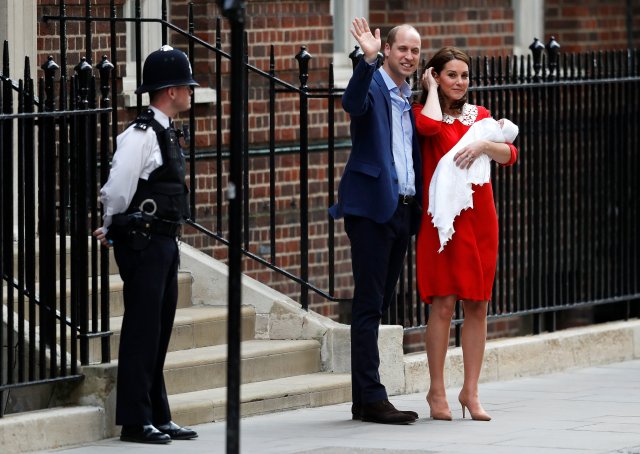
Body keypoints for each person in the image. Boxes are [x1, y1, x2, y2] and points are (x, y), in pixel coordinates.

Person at [93, 45, 199, 444]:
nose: (191, 92)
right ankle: (135, 421)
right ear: (170, 91)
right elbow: (118, 186)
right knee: (142, 330)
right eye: (187, 86)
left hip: (164, 241)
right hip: (143, 241)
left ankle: (157, 413)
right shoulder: (139, 135)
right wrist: (109, 223)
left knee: (160, 328)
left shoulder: (165, 131)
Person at [412, 46, 518, 421]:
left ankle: (470, 392)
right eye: (451, 75)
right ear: (435, 76)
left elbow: (509, 155)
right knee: (442, 304)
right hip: (444, 223)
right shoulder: (424, 113)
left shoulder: (482, 117)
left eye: (464, 76)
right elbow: (430, 129)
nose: (459, 82)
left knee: (478, 304)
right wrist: (428, 92)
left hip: (481, 219)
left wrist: (484, 144)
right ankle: (436, 391)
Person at [329, 18, 422, 425]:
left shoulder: (408, 97)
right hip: (370, 210)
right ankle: (372, 396)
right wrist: (366, 62)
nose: (409, 56)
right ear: (387, 49)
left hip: (401, 209)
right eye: (403, 48)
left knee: (379, 305)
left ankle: (362, 399)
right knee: (368, 304)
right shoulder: (373, 87)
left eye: (416, 51)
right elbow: (352, 104)